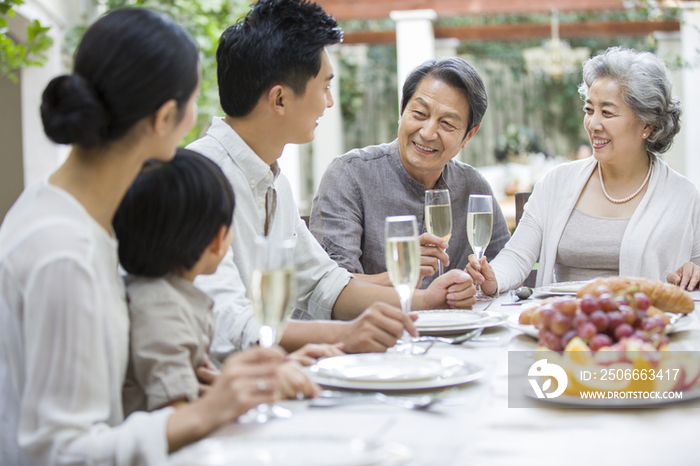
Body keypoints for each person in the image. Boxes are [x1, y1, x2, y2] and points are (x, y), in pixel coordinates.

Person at [0, 9, 291, 466]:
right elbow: (57, 451)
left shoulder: (74, 216)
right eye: (195, 101)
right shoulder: (63, 251)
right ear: (163, 118)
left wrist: (201, 388)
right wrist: (202, 414)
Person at [188, 0, 475, 362]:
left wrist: (426, 300)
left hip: (272, 376)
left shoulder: (275, 182)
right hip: (222, 396)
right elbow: (227, 323)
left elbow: (324, 283)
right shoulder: (197, 179)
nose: (329, 101)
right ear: (279, 98)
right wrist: (347, 334)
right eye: (324, 86)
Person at [467, 47, 700, 295]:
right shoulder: (556, 182)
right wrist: (492, 279)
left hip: (643, 327)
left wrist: (693, 271)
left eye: (607, 112)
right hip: (565, 324)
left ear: (647, 125)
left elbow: (695, 266)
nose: (593, 124)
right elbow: (517, 256)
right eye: (589, 110)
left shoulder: (682, 195)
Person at [114, 149, 330, 416]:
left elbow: (196, 385)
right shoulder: (161, 310)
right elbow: (178, 414)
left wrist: (267, 372)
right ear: (219, 239)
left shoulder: (167, 297)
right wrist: (261, 384)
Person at [309, 57, 510, 288]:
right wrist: (403, 273)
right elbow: (328, 286)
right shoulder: (349, 175)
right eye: (419, 114)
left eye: (446, 123)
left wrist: (484, 281)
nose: (427, 132)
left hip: (451, 325)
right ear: (402, 107)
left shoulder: (474, 187)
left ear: (469, 135)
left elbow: (504, 265)